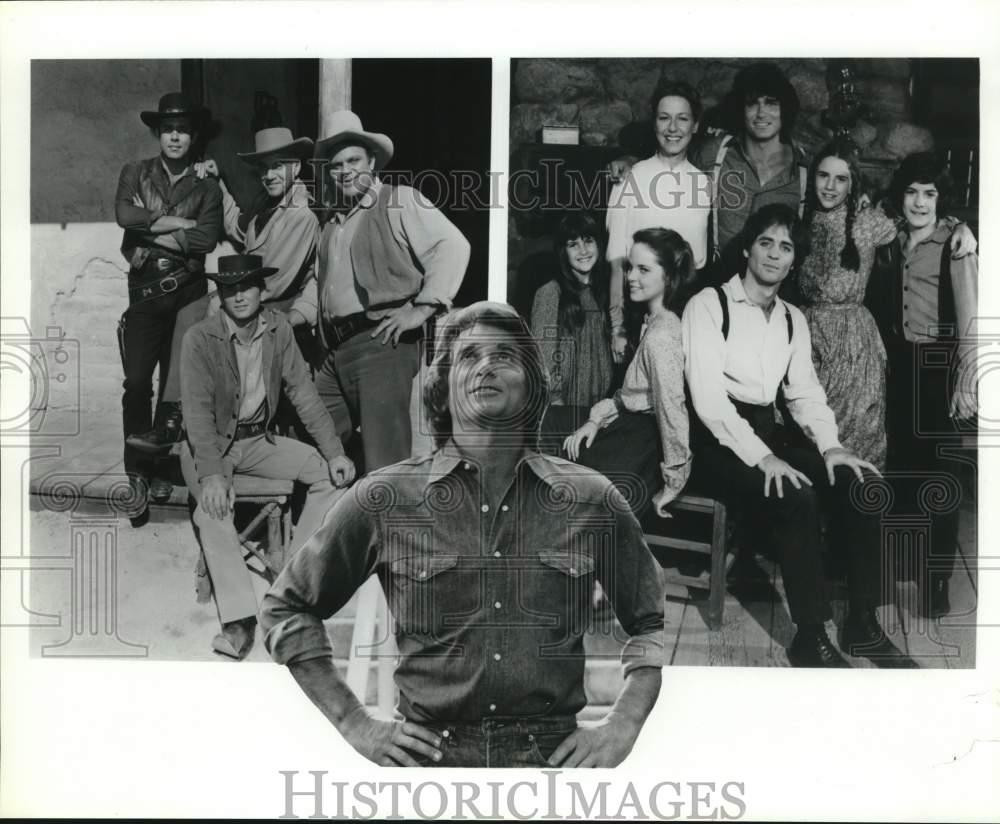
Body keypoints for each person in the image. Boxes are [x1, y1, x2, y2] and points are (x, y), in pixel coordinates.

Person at [260, 302, 665, 768]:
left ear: (532, 386)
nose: (486, 367)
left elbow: (648, 620)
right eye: (469, 356)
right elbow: (286, 608)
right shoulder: (384, 498)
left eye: (504, 357)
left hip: (552, 764)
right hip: (427, 763)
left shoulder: (591, 497)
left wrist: (624, 724)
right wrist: (356, 723)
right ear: (443, 389)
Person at [682, 203, 916, 668]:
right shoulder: (709, 305)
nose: (774, 254)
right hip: (715, 444)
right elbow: (708, 401)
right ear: (747, 247)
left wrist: (831, 446)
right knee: (797, 494)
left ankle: (862, 624)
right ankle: (809, 635)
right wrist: (763, 459)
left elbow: (804, 393)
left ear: (794, 260)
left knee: (860, 483)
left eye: (785, 247)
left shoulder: (792, 317)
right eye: (765, 243)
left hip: (767, 434)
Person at [179, 254, 356, 660]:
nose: (238, 296)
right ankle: (240, 622)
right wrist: (212, 476)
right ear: (220, 293)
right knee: (213, 510)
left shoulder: (278, 331)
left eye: (246, 286)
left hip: (259, 441)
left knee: (331, 476)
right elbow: (197, 417)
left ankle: (288, 589)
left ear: (263, 290)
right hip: (209, 447)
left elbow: (304, 395)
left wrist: (335, 453)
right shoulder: (200, 338)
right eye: (229, 288)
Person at [312, 110, 470, 476]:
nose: (345, 170)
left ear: (371, 161)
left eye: (353, 160)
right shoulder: (333, 222)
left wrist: (423, 306)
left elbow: (453, 245)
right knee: (322, 445)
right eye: (336, 165)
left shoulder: (398, 200)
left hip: (380, 344)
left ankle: (392, 533)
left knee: (385, 459)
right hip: (335, 352)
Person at [869, 152, 978, 618]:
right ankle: (897, 572)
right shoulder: (890, 237)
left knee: (941, 479)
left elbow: (973, 319)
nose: (919, 202)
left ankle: (936, 584)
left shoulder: (956, 242)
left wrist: (967, 381)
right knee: (900, 471)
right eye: (912, 191)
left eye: (929, 193)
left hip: (937, 368)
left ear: (941, 199)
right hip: (896, 365)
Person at [115, 92, 222, 518]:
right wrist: (180, 224)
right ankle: (135, 473)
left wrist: (150, 228)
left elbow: (207, 239)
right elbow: (124, 216)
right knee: (138, 384)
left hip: (188, 293)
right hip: (144, 294)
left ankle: (159, 468)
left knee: (174, 390)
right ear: (158, 134)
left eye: (182, 130)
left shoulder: (208, 187)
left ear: (193, 136)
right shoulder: (135, 172)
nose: (175, 136)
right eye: (168, 130)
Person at [558, 228, 694, 521]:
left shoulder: (663, 335)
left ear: (669, 276)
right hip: (628, 426)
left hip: (642, 441)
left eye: (643, 269)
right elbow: (631, 395)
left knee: (574, 492)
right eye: (630, 267)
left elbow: (672, 409)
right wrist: (596, 420)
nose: (631, 276)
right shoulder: (651, 321)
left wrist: (674, 480)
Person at [605, 80, 711, 362]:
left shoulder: (704, 184)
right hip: (638, 318)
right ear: (654, 124)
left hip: (687, 320)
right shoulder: (629, 178)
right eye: (664, 118)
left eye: (682, 119)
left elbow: (699, 265)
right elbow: (617, 264)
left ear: (695, 125)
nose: (673, 128)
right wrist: (617, 328)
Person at [529, 211, 614, 409]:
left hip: (599, 409)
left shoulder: (605, 292)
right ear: (563, 251)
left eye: (588, 240)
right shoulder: (550, 292)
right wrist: (556, 401)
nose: (583, 250)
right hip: (564, 408)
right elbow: (543, 357)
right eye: (573, 244)